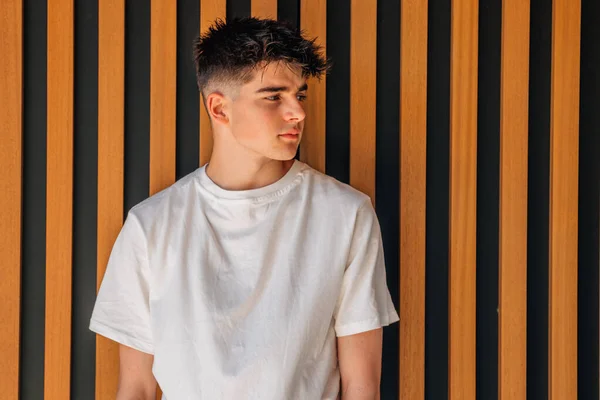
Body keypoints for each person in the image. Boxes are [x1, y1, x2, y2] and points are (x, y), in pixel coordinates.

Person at [90, 17, 399, 400]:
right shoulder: (150, 225)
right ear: (219, 108)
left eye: (300, 95)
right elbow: (135, 387)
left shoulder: (346, 214)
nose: (298, 113)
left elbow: (362, 386)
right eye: (274, 96)